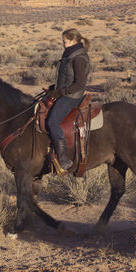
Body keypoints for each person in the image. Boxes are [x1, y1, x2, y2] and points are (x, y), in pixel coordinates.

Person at [46, 28, 90, 172]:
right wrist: (54, 89)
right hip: (65, 93)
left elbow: (79, 84)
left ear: (72, 41)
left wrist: (59, 93)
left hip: (72, 97)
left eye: (64, 41)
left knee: (52, 121)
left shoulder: (78, 58)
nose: (63, 44)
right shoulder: (70, 54)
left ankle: (64, 159)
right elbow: (67, 78)